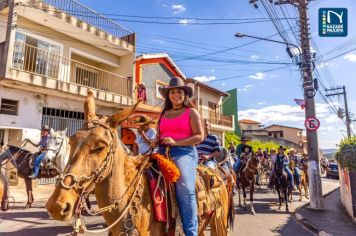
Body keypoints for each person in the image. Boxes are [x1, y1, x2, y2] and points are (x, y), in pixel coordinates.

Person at [157, 76, 204, 236]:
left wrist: (176, 142)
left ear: (185, 95)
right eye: (172, 92)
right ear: (168, 95)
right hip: (162, 151)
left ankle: (191, 232)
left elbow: (199, 137)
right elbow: (160, 135)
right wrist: (154, 141)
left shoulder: (192, 112)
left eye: (179, 92)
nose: (175, 95)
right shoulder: (163, 114)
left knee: (184, 186)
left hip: (185, 152)